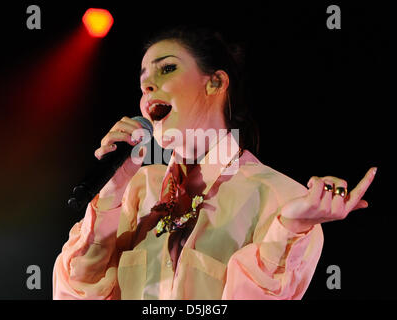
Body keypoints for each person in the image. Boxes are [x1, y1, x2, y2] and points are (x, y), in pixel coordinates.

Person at [52, 26, 376, 299]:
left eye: (167, 69)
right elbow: (72, 292)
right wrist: (111, 193)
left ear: (216, 83)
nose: (148, 85)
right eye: (143, 81)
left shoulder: (281, 200)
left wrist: (290, 228)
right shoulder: (134, 191)